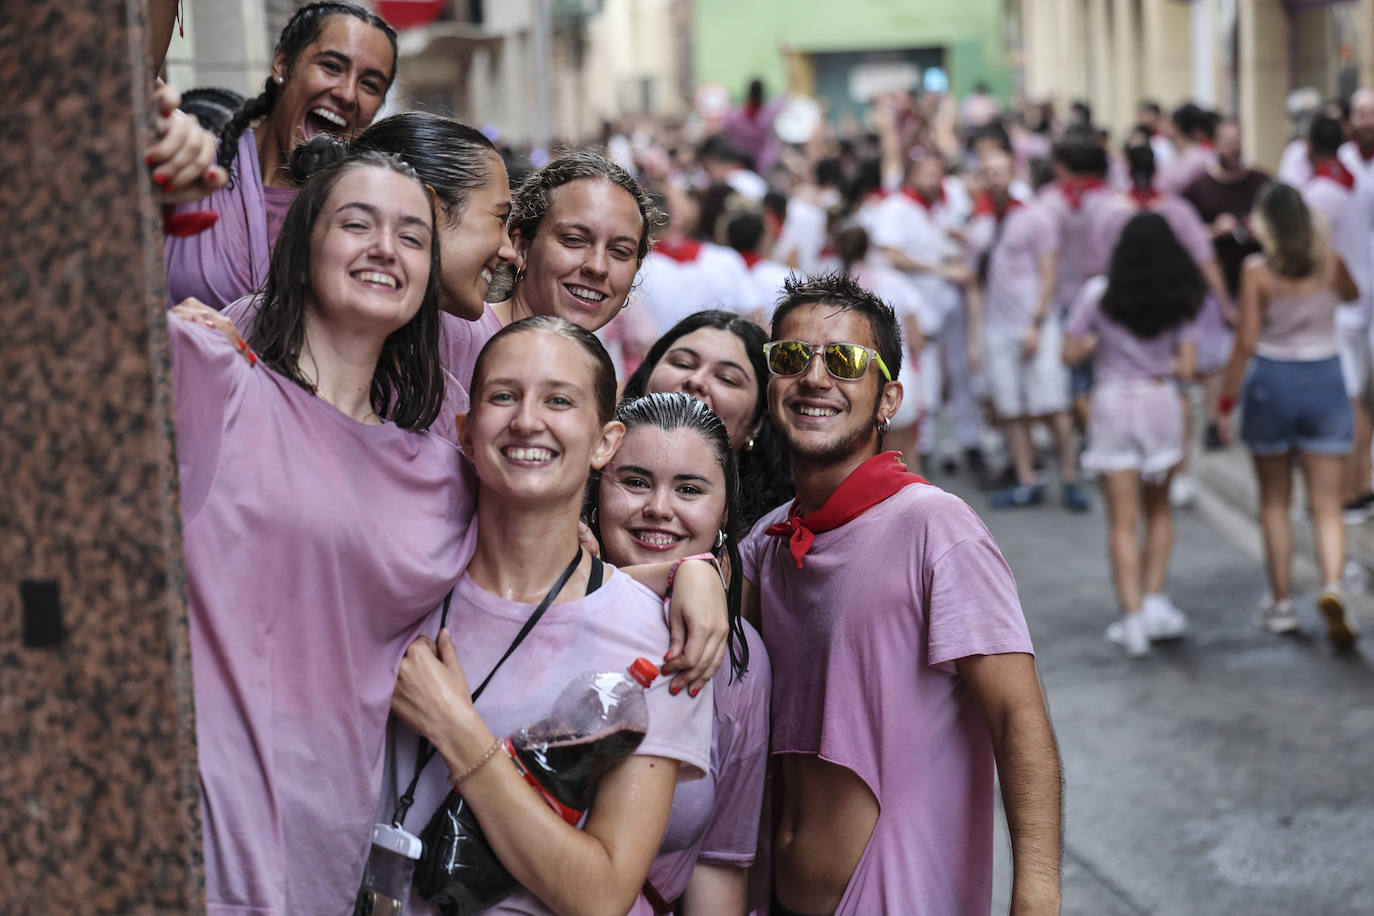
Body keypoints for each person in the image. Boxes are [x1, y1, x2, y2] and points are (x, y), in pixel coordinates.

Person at [172, 151, 729, 915]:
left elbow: (541, 557)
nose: (382, 249)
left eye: (410, 234)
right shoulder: (212, 373)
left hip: (328, 857)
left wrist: (696, 569)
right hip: (201, 833)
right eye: (356, 223)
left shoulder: (435, 474)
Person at [741, 273, 1062, 914]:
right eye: (791, 357)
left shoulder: (936, 528)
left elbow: (1017, 719)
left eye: (845, 361)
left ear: (888, 399)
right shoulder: (767, 545)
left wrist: (1038, 894)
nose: (814, 377)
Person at [387, 319, 716, 916]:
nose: (527, 420)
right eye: (503, 396)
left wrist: (458, 730)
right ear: (465, 431)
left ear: (605, 442)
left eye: (559, 400)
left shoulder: (656, 638)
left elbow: (602, 894)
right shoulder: (402, 583)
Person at [593, 393, 771, 915]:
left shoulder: (740, 660)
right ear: (594, 487)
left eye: (689, 489)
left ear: (724, 513)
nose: (659, 508)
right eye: (635, 481)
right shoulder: (538, 606)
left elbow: (718, 862)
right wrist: (683, 570)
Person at [165, 2, 399, 310]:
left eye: (369, 84)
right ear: (282, 64)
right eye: (331, 66)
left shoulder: (373, 225)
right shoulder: (191, 167)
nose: (347, 93)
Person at [1218, 184, 1361, 649]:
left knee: (1274, 501)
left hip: (1273, 381)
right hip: (1325, 378)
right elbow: (1353, 294)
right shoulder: (1330, 262)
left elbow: (1245, 341)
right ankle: (1334, 585)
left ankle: (1281, 605)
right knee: (1327, 503)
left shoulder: (1258, 270)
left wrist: (1224, 400)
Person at [1063, 213, 1205, 656]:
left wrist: (1092, 347)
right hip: (1160, 402)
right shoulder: (1180, 295)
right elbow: (1186, 368)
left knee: (1121, 522)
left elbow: (1069, 353)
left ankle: (1132, 620)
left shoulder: (1098, 293)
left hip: (1111, 405)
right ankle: (1156, 600)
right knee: (1159, 511)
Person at [969, 149, 1087, 511]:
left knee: (1052, 405)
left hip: (1033, 324)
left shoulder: (1035, 216)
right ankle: (1026, 481)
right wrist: (975, 337)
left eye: (1001, 169)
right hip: (997, 329)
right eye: (988, 170)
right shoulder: (979, 226)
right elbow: (975, 283)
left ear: (1014, 171)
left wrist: (1036, 323)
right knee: (1010, 409)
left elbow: (1049, 271)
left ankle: (1069, 479)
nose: (995, 177)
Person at [623, 311, 796, 526]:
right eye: (683, 364)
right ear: (645, 378)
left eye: (727, 379)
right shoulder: (581, 491)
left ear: (758, 421)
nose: (696, 381)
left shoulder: (769, 540)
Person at [1300, 115, 1374, 523]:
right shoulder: (1357, 185)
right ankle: (1359, 485)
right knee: (1359, 397)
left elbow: (1312, 256)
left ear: (1309, 149)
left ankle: (1349, 491)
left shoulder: (1319, 195)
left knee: (1347, 402)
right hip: (1362, 299)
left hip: (1339, 306)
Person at [1157, 103, 1217, 195]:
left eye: (1169, 122)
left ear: (1176, 126)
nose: (1163, 126)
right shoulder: (1172, 153)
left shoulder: (1199, 158)